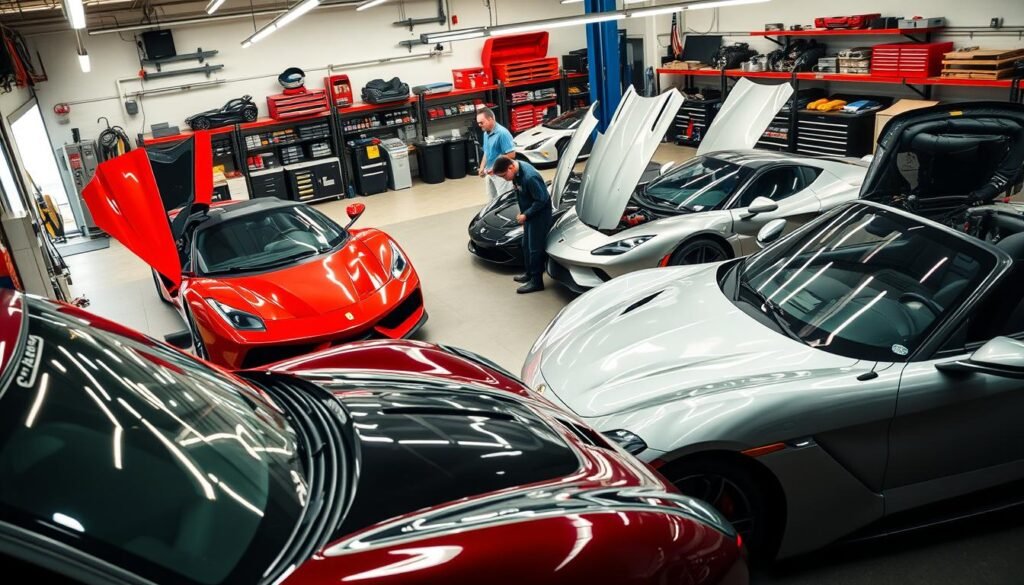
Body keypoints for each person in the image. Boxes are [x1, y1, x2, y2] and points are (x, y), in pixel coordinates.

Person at [491, 155, 551, 294]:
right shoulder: (516, 174)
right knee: (525, 244)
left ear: (511, 167)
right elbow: (521, 195)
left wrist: (526, 214)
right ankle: (529, 273)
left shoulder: (530, 177)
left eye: (504, 175)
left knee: (535, 249)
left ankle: (536, 281)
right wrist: (524, 215)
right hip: (529, 214)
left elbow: (542, 200)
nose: (504, 179)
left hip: (539, 215)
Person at [476, 107, 516, 201]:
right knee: (492, 200)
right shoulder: (486, 133)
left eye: (482, 122)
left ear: (490, 119)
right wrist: (482, 167)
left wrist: (496, 165)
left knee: (504, 200)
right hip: (490, 173)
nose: (480, 125)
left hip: (502, 173)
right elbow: (487, 151)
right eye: (478, 123)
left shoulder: (502, 133)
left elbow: (512, 154)